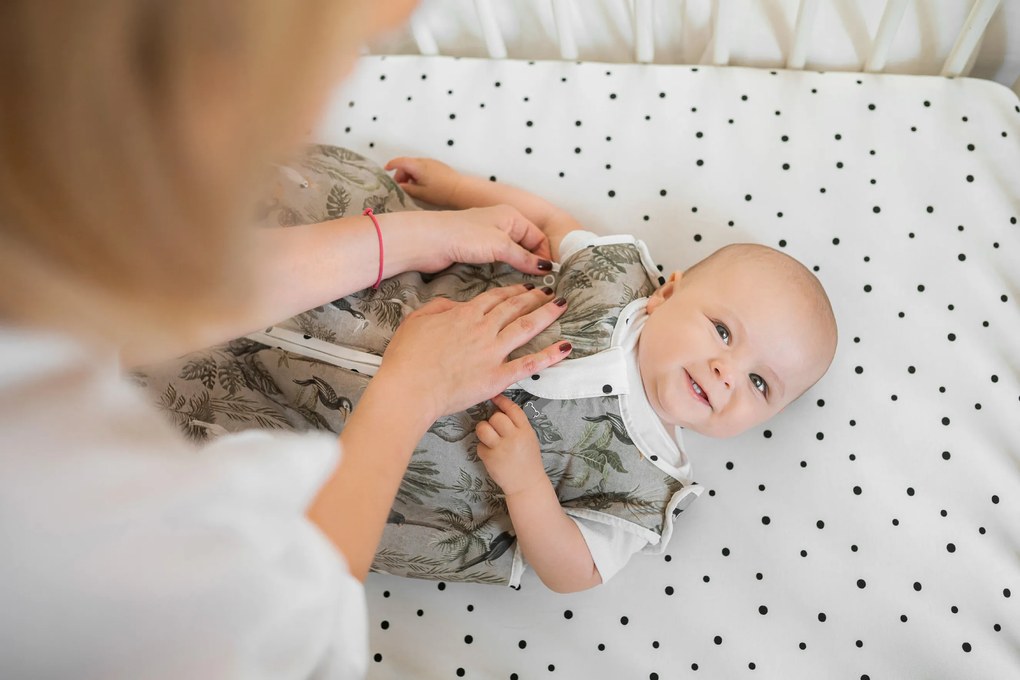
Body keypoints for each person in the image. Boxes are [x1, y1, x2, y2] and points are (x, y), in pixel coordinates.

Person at [0, 3, 575, 679]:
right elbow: (283, 631)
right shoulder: (55, 512)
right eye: (339, 48)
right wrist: (406, 395)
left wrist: (405, 238)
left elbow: (100, 289)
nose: (334, 88)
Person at [142, 152, 838, 594]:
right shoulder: (618, 277)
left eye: (760, 385)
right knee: (263, 224)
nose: (726, 371)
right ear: (668, 292)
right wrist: (457, 188)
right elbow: (545, 220)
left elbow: (573, 572)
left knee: (208, 429)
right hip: (387, 306)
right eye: (723, 332)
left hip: (371, 453)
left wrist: (528, 486)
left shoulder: (648, 487)